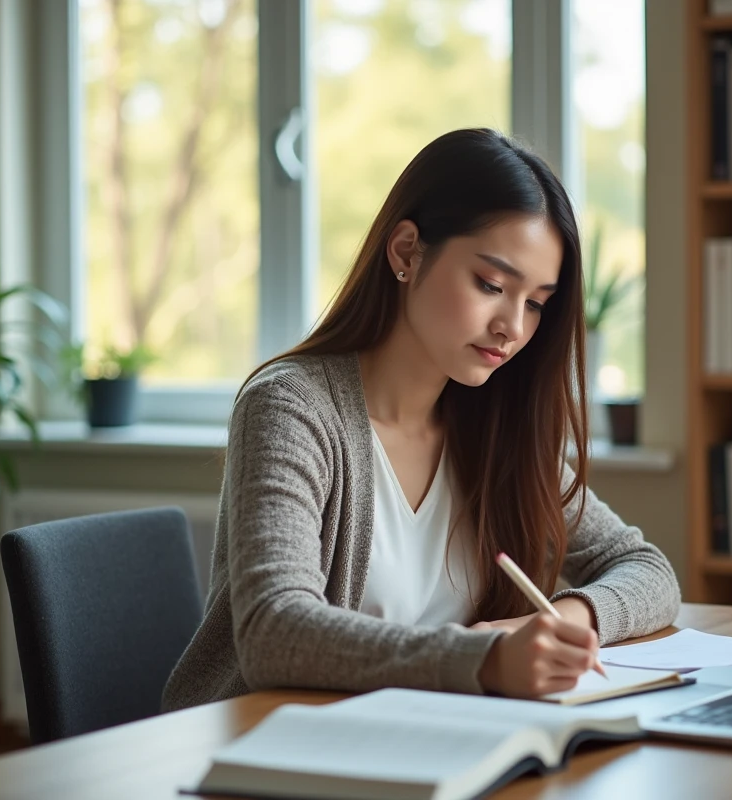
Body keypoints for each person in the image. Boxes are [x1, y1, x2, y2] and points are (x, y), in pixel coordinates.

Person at [161, 128, 680, 712]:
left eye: (535, 302)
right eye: (490, 284)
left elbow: (647, 569)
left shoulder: (492, 426)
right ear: (407, 252)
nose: (513, 325)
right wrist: (482, 661)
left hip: (417, 742)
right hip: (259, 755)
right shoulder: (291, 408)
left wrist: (568, 618)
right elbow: (274, 632)